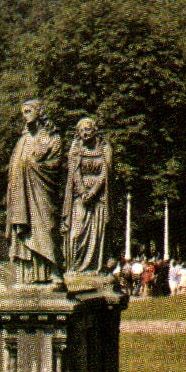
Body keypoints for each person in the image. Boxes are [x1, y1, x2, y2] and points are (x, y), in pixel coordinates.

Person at [7, 100, 65, 287]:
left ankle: (54, 271)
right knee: (27, 232)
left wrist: (30, 166)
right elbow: (14, 167)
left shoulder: (52, 138)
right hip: (22, 194)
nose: (25, 115)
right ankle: (28, 274)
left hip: (42, 192)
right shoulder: (22, 141)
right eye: (23, 112)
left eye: (28, 111)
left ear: (39, 112)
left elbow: (55, 164)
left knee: (47, 228)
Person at [62, 117, 112, 274]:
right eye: (82, 130)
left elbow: (105, 172)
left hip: (98, 198)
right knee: (76, 234)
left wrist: (93, 191)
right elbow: (74, 172)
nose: (85, 133)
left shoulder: (105, 148)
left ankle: (94, 269)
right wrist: (83, 191)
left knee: (97, 235)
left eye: (88, 129)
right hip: (80, 197)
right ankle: (75, 267)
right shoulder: (75, 149)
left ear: (94, 130)